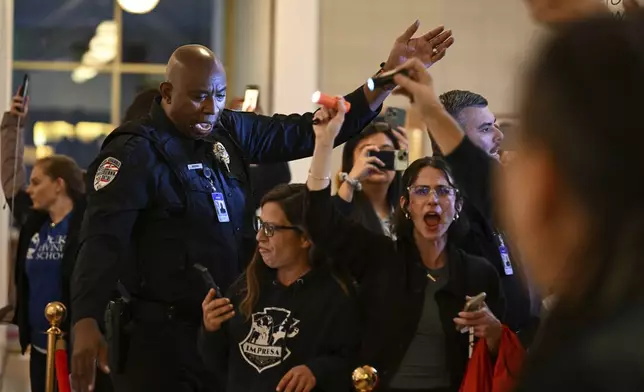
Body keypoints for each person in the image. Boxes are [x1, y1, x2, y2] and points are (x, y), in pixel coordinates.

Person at [71, 22, 454, 392]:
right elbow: (102, 239)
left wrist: (386, 76)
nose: (210, 108)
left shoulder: (228, 129)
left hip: (227, 332)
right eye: (199, 96)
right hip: (159, 343)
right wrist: (85, 318)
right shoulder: (134, 152)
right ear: (167, 93)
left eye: (219, 95)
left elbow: (314, 127)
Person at [305, 98, 504, 392]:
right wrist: (324, 144)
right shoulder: (380, 257)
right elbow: (321, 223)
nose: (432, 200)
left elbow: (497, 357)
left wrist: (496, 333)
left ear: (457, 205)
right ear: (406, 205)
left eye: (443, 191)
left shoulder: (478, 273)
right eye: (421, 191)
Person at [0, 92, 111, 392]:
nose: (30, 189)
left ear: (58, 185)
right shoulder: (35, 220)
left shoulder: (88, 223)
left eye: (37, 182)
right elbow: (11, 180)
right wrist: (13, 124)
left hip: (75, 349)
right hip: (39, 347)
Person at [199, 184, 358, 392]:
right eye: (260, 224)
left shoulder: (336, 294)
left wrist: (316, 371)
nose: (260, 237)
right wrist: (211, 329)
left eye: (270, 229)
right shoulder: (245, 287)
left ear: (305, 238)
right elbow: (216, 364)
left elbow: (352, 362)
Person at [425, 89, 535, 339]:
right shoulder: (441, 203)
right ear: (450, 138)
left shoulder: (491, 194)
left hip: (511, 346)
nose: (499, 136)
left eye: (495, 126)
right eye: (486, 129)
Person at [334, 122, 406, 238]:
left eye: (386, 152)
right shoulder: (340, 209)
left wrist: (404, 160)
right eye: (369, 152)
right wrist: (350, 181)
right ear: (351, 160)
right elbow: (329, 228)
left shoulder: (407, 210)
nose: (377, 160)